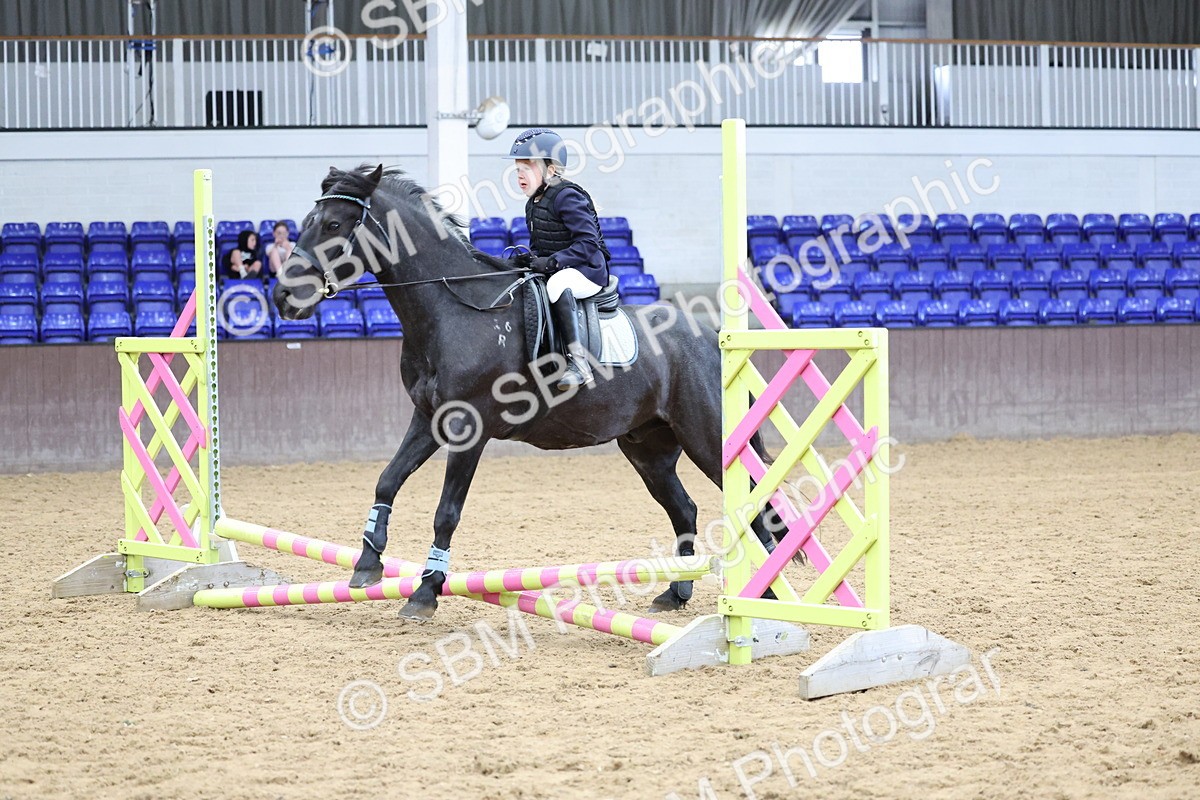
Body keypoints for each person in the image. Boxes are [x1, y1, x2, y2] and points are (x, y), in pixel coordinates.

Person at [504, 127, 610, 389]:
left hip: (588, 269)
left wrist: (552, 263)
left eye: (527, 166)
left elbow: (588, 244)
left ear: (551, 170)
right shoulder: (533, 202)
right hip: (563, 267)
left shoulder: (567, 196)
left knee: (557, 284)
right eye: (518, 168)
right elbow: (541, 246)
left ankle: (578, 363)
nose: (520, 174)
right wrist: (530, 260)